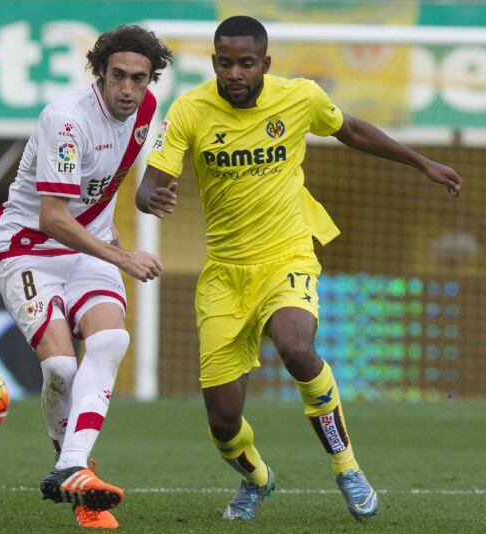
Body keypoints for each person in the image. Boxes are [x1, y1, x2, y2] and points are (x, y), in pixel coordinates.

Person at [137, 16, 463, 522]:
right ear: (215, 63)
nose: (236, 73)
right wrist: (149, 196)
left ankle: (347, 467)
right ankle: (257, 479)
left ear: (265, 63)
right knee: (223, 422)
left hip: (287, 255)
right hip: (225, 274)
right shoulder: (189, 110)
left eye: (247, 63)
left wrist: (421, 162)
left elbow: (351, 129)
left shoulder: (299, 97)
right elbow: (150, 182)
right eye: (226, 63)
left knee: (296, 347)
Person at [0, 25, 171, 530]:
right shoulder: (67, 121)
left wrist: (145, 199)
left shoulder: (147, 110)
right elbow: (52, 217)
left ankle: (72, 470)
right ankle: (74, 464)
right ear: (100, 72)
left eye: (140, 78)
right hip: (28, 250)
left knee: (111, 338)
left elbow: (112, 184)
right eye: (119, 76)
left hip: (90, 246)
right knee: (61, 374)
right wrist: (123, 258)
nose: (129, 89)